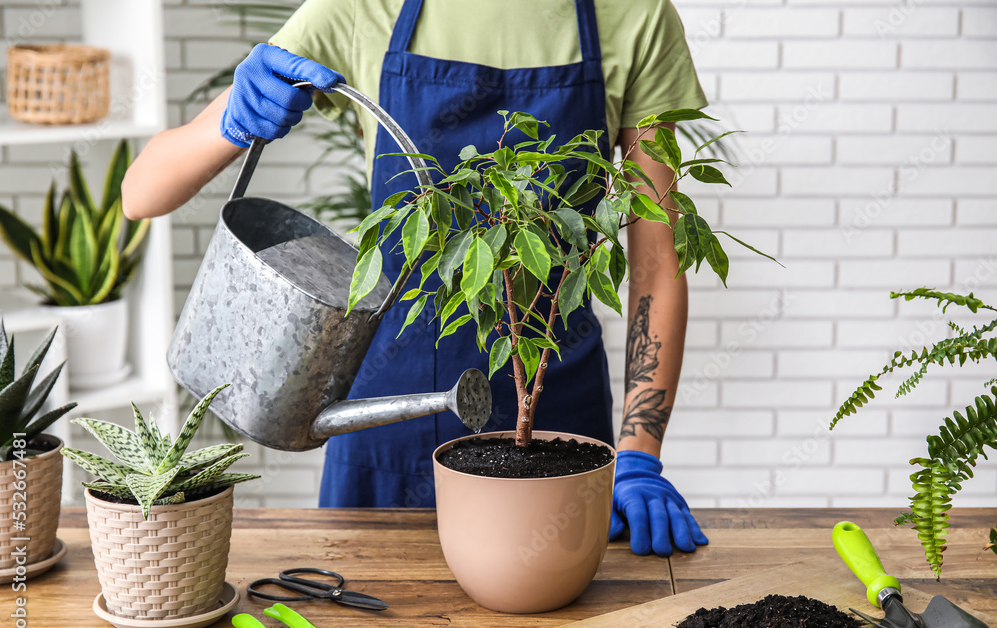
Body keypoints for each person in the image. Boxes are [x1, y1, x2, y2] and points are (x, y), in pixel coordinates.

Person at [122, 0, 710, 557]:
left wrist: (638, 454)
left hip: (554, 407)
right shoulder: (361, 8)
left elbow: (657, 259)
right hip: (386, 401)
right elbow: (141, 193)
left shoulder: (633, 14)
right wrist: (232, 119)